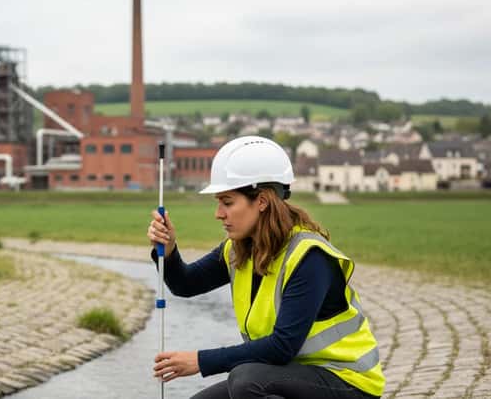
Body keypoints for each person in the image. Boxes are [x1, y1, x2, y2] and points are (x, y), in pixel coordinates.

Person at [147, 136, 385, 399]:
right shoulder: (239, 248)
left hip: (347, 382)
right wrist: (168, 250)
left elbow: (282, 346)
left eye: (227, 202)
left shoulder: (309, 258)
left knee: (246, 380)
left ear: (261, 201)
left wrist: (201, 361)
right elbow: (185, 284)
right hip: (288, 375)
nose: (218, 213)